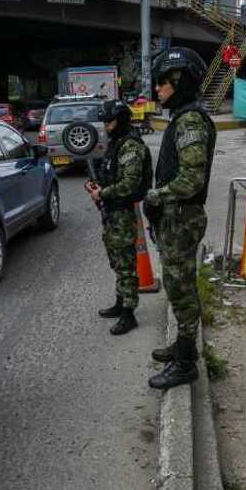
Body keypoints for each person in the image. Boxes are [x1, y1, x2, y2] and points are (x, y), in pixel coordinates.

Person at [144, 46, 216, 390]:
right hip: (175, 218)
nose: (157, 90)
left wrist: (156, 195)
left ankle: (187, 363)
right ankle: (183, 347)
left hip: (181, 219)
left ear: (181, 81)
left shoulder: (190, 120)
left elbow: (192, 179)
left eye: (163, 83)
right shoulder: (182, 117)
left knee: (182, 289)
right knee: (177, 285)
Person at [86, 99, 153, 336]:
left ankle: (129, 313)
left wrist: (102, 192)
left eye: (110, 121)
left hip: (123, 212)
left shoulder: (131, 147)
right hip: (112, 212)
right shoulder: (117, 144)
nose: (106, 126)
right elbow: (111, 175)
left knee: (126, 264)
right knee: (116, 260)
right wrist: (97, 186)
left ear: (121, 120)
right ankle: (119, 301)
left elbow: (129, 184)